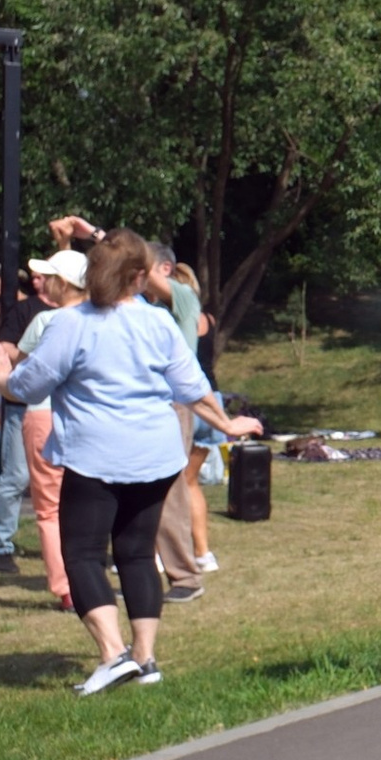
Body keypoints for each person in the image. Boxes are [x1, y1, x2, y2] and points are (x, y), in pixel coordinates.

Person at [0, 231, 262, 695]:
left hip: (95, 457)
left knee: (84, 554)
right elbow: (193, 386)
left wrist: (0, 377)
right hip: (155, 456)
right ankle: (146, 658)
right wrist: (227, 424)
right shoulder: (158, 323)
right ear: (138, 277)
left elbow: (27, 388)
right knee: (135, 552)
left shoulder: (71, 324)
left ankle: (113, 655)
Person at [13, 251, 87, 609]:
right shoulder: (102, 319)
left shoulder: (46, 320)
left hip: (43, 414)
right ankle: (90, 575)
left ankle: (66, 588)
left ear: (64, 283)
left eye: (49, 277)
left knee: (49, 509)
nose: (41, 284)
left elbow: (22, 368)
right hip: (86, 418)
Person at [141, 242, 210, 600]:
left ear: (163, 269)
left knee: (171, 488)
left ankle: (185, 576)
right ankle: (142, 569)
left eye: (143, 266)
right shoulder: (145, 309)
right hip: (149, 405)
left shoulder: (184, 300)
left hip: (174, 406)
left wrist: (95, 233)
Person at [0, 267, 45, 576]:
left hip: (59, 407)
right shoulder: (25, 311)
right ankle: (0, 547)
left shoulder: (77, 311)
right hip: (22, 404)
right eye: (35, 276)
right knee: (16, 477)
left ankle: (67, 548)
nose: (37, 280)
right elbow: (6, 351)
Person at [169, 264, 223, 577]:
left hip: (188, 403)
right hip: (213, 399)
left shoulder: (172, 323)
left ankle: (162, 554)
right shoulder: (209, 321)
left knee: (168, 485)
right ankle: (203, 553)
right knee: (191, 482)